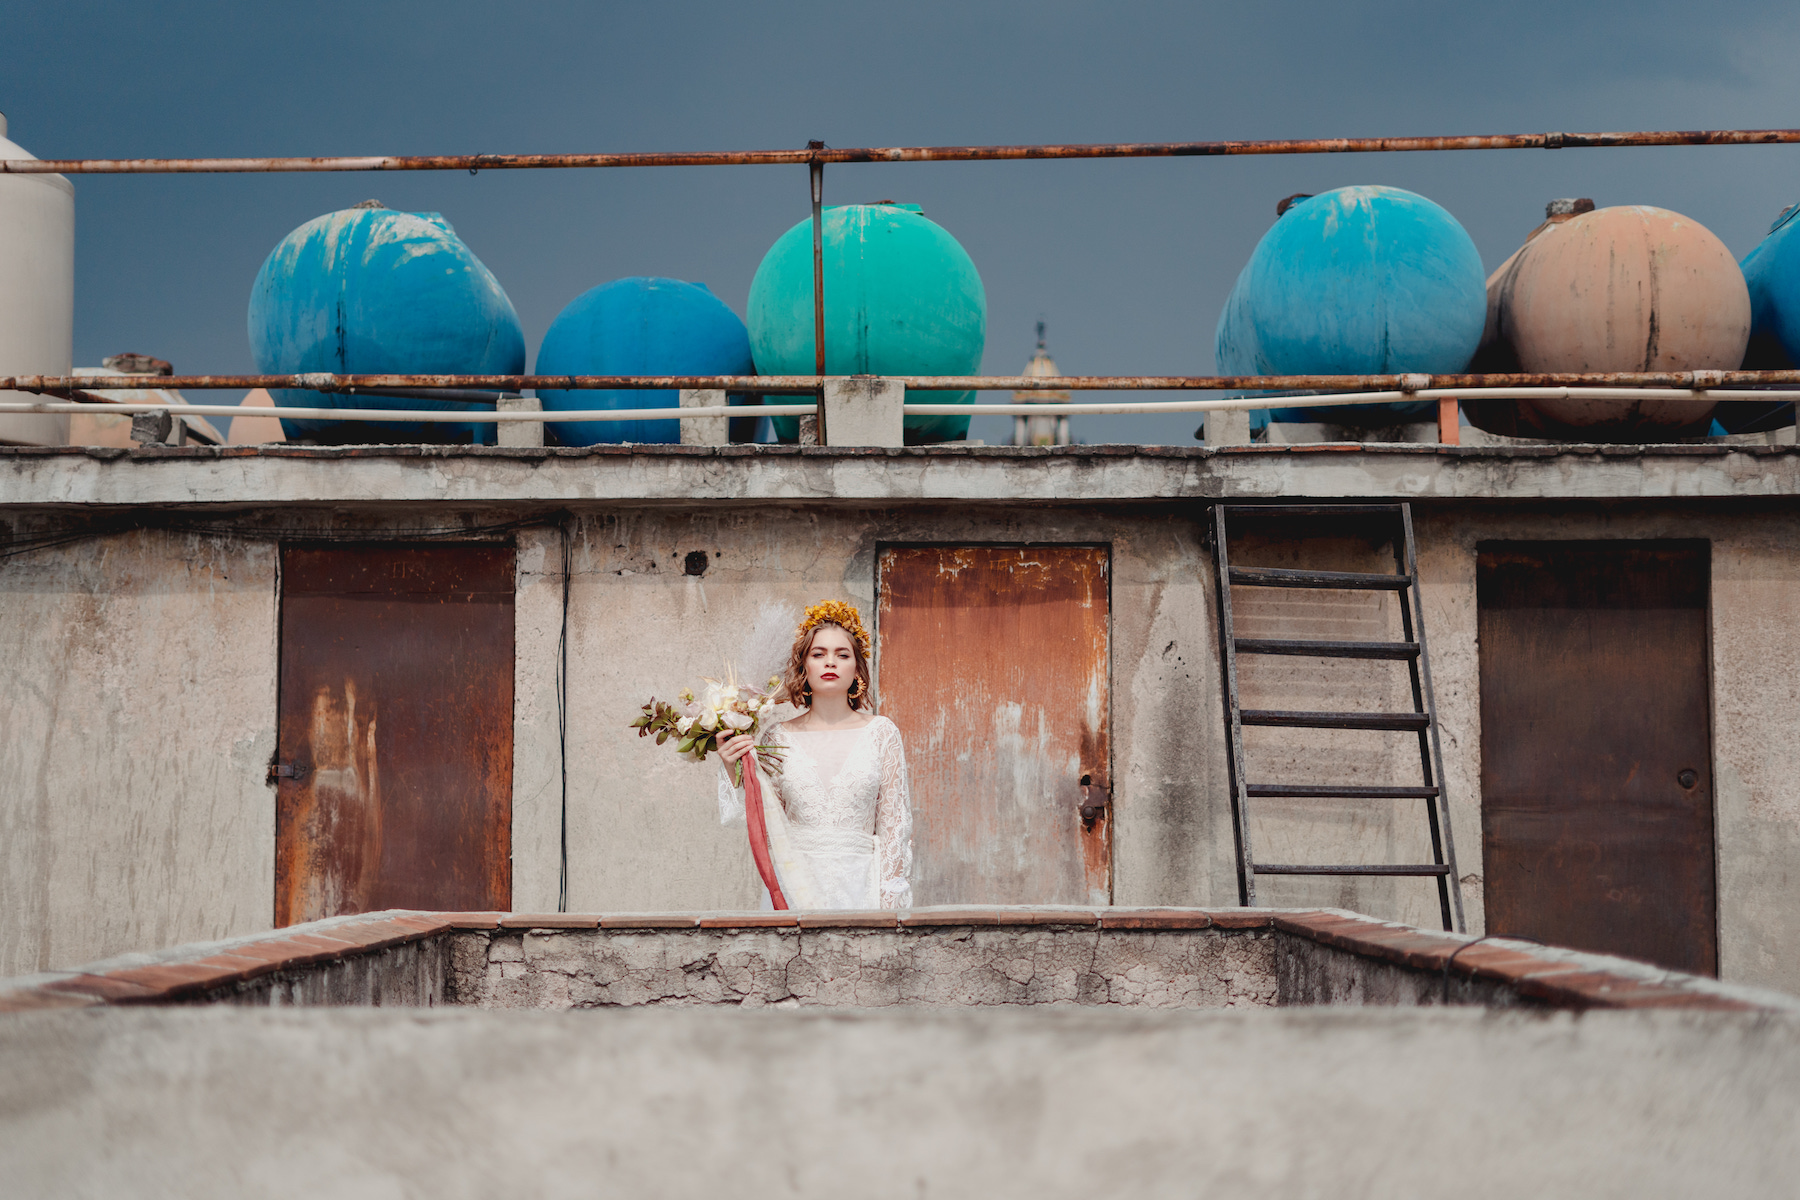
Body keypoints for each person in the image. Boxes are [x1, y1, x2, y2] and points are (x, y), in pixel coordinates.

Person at [718, 600, 913, 909]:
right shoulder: (777, 737)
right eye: (818, 654)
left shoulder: (882, 733)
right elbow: (764, 823)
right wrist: (733, 767)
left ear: (857, 669)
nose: (830, 663)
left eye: (842, 655)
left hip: (863, 893)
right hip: (794, 888)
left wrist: (890, 905)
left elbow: (895, 828)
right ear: (804, 667)